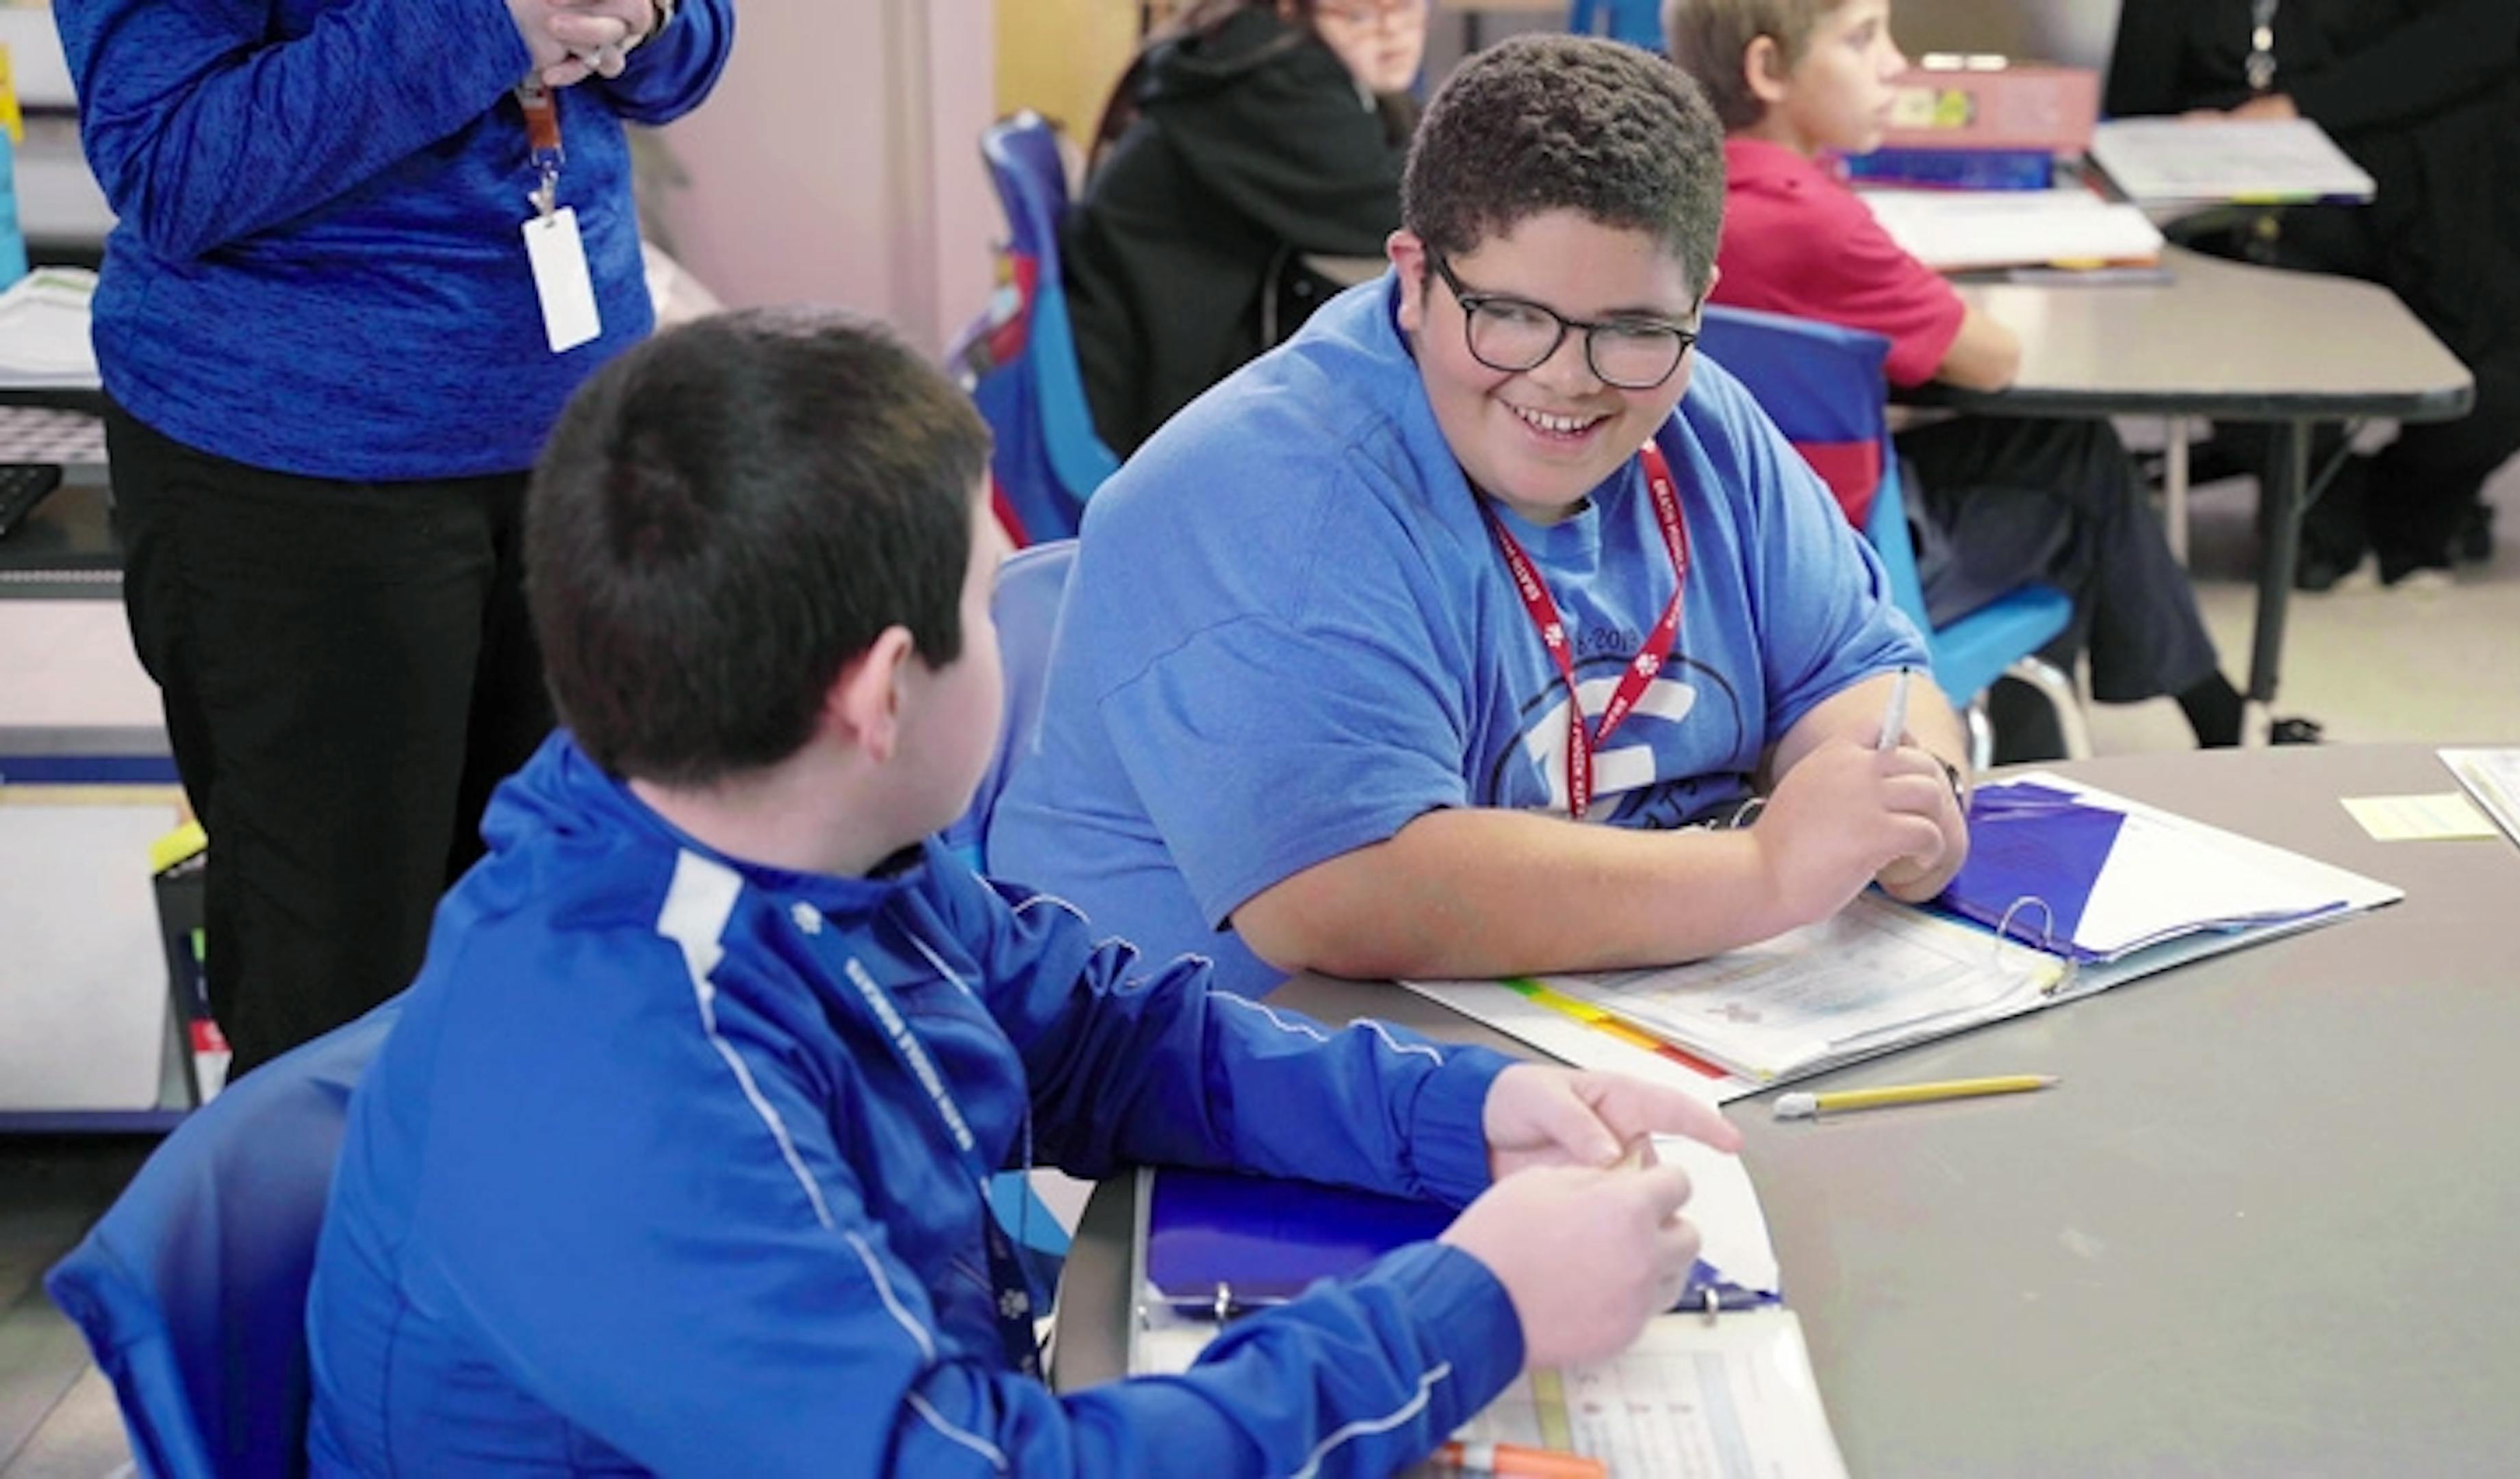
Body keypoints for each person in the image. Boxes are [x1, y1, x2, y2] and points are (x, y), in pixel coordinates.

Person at [303, 308, 1740, 1477]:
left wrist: (1463, 1115)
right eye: (988, 613)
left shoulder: (785, 829)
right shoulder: (628, 1082)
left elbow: (1104, 1042)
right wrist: (1469, 1310)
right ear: (879, 694)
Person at [993, 34, 1970, 999]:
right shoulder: (1267, 491)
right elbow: (1342, 893)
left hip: (1610, 1025)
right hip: (1250, 1078)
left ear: (1699, 304)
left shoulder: (1700, 416)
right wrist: (1767, 874)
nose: (1567, 379)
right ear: (1414, 278)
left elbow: (1861, 670)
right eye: (1510, 315)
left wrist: (1897, 798)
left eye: (1633, 329)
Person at [54, 0, 733, 1076]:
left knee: (559, 967)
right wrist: (495, 26)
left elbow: (692, 50)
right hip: (298, 458)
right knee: (337, 1005)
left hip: (572, 433)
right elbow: (171, 164)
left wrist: (638, 18)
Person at [1664, 0, 2252, 759]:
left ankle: (2204, 711)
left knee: (2061, 450)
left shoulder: (1684, 202)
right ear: (1770, 69)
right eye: (1862, 38)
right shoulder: (1819, 223)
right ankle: (2132, 731)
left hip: (1708, 557)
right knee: (2080, 475)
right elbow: (1992, 358)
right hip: (1843, 570)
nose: (1892, 64)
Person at [2103, 0, 2520, 589]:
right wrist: (2179, 140)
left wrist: (2296, 108)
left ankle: (2414, 508)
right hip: (2256, 196)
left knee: (2511, 373)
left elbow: (2480, 34)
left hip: (2455, 168)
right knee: (2233, 346)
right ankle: (2323, 509)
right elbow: (2136, 105)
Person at [1067, 0, 1425, 456]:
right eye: (1359, 16)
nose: (1392, 34)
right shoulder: (1274, 79)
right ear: (1293, 9)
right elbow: (1397, 206)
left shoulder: (1240, 45)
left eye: (1408, 8)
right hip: (1151, 385)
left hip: (1149, 342)